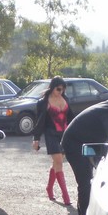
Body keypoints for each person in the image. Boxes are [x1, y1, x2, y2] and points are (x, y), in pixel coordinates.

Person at [32, 76, 74, 205]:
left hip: (64, 134)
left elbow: (71, 117)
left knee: (57, 163)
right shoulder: (43, 102)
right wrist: (36, 139)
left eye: (63, 89)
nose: (60, 92)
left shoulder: (65, 99)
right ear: (52, 87)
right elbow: (39, 122)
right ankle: (66, 196)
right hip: (51, 134)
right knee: (59, 162)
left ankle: (49, 188)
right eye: (58, 89)